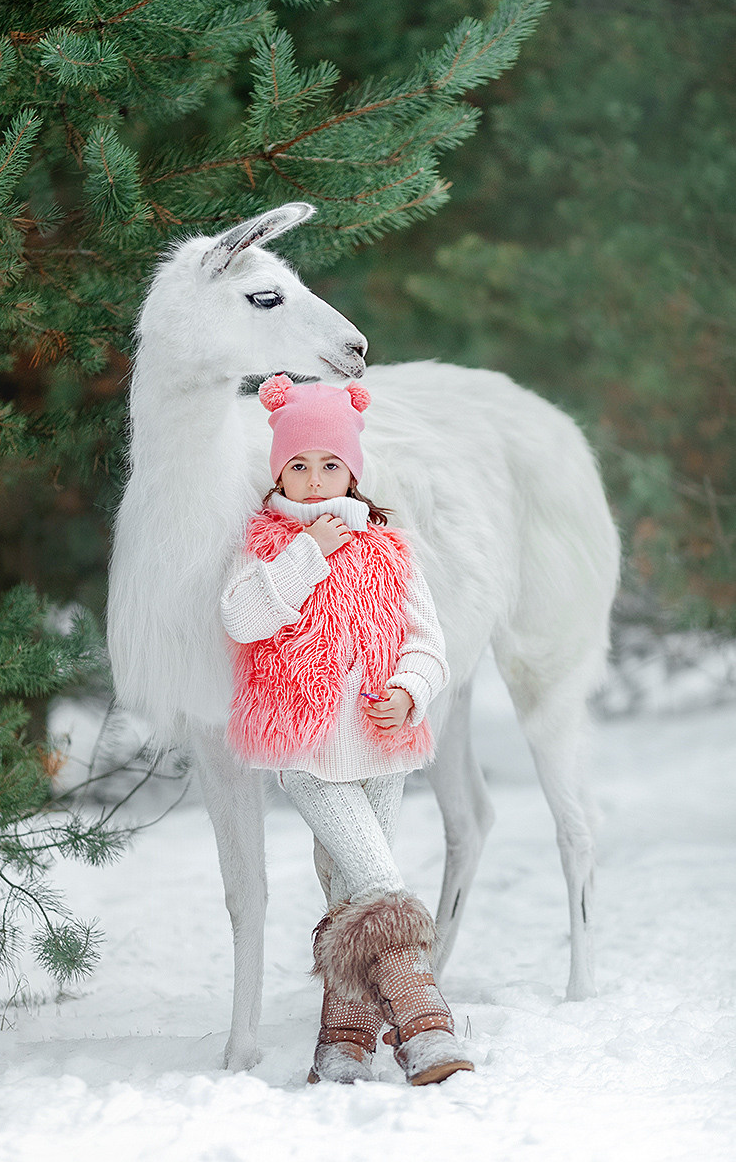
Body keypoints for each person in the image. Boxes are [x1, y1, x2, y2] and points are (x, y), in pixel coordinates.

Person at [220, 374, 473, 1086]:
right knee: (379, 877)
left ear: (353, 470)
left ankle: (344, 1040)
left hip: (381, 748)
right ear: (278, 471)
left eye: (328, 464)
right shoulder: (267, 543)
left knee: (350, 890)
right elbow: (242, 619)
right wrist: (307, 554)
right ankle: (425, 1024)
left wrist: (409, 689)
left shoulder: (389, 548)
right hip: (305, 750)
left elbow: (428, 642)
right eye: (296, 465)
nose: (312, 477)